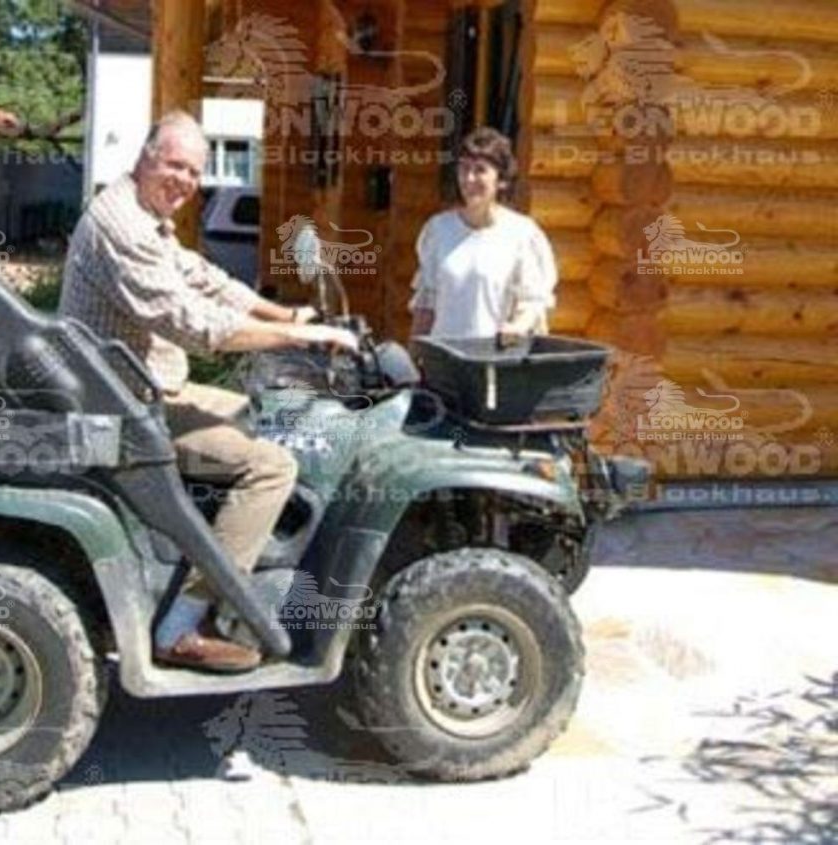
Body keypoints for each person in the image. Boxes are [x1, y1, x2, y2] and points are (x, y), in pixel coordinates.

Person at [59, 111, 358, 673]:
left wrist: (287, 310)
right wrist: (302, 335)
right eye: (175, 165)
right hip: (128, 405)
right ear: (147, 156)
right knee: (271, 466)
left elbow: (203, 279)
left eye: (194, 172)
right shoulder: (120, 225)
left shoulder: (145, 216)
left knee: (262, 415)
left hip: (145, 388)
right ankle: (184, 623)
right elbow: (195, 325)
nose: (184, 181)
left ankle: (236, 556)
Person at [409, 127, 558, 338]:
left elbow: (533, 303)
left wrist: (516, 328)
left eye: (480, 170)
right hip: (443, 362)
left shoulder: (522, 235)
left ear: (501, 180)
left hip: (493, 362)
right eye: (464, 169)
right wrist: (414, 359)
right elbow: (426, 306)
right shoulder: (439, 230)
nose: (469, 179)